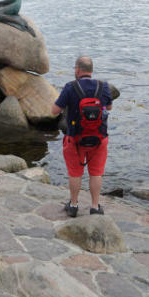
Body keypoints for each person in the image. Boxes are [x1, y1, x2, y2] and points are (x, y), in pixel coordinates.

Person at [50, 56, 113, 217]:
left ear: (78, 69)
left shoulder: (70, 87)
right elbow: (109, 107)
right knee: (96, 173)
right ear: (91, 70)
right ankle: (94, 206)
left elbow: (54, 110)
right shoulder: (103, 86)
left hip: (75, 139)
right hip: (99, 139)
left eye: (74, 69)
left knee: (75, 173)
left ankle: (73, 204)